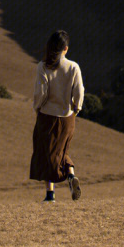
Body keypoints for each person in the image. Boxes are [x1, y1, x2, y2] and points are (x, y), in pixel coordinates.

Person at [29, 29, 84, 203]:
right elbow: (79, 91)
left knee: (47, 153)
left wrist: (37, 107)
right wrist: (77, 107)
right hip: (67, 117)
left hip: (47, 116)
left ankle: (50, 195)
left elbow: (41, 92)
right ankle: (71, 175)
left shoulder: (43, 66)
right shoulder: (73, 67)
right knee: (62, 151)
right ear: (66, 48)